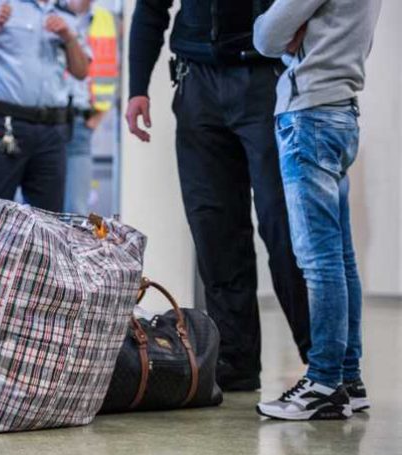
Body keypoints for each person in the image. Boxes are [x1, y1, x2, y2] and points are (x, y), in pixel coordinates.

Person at [126, 0, 311, 392]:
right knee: (214, 229)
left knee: (286, 226)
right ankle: (236, 360)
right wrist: (136, 88)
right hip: (197, 84)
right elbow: (150, 10)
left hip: (265, 79)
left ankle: (323, 363)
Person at [254, 0, 382, 421]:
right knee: (341, 259)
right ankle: (348, 378)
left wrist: (293, 35)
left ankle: (324, 381)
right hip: (342, 113)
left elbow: (267, 35)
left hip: (308, 115)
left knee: (319, 260)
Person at [0, 0, 92, 213]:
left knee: (48, 225)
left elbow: (82, 71)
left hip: (52, 132)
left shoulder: (65, 13)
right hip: (5, 126)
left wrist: (68, 38)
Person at [63, 0, 105, 215]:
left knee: (78, 209)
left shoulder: (104, 20)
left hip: (81, 121)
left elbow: (110, 69)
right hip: (48, 120)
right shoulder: (51, 11)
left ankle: (87, 245)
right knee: (39, 207)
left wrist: (100, 113)